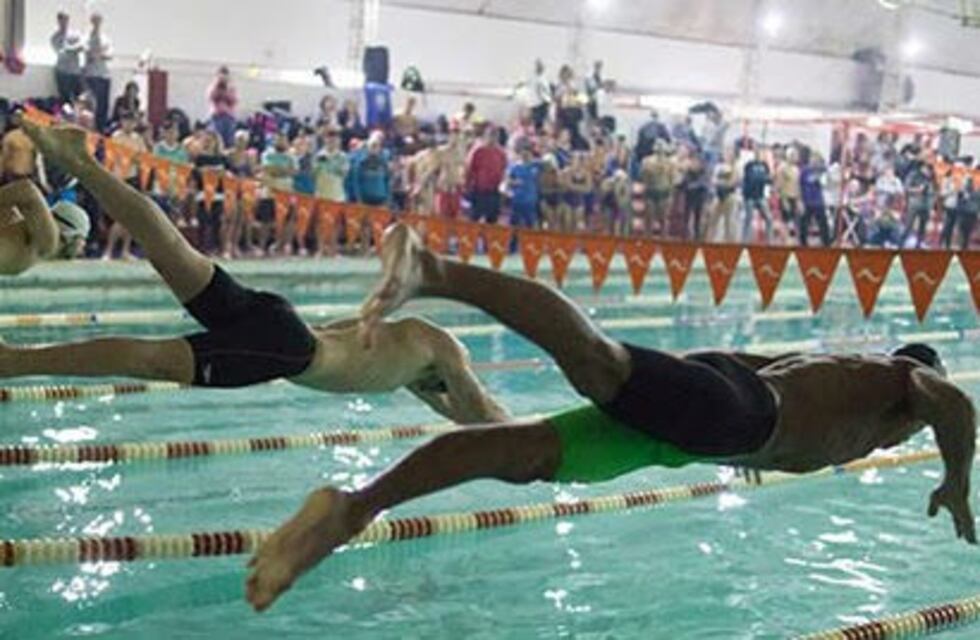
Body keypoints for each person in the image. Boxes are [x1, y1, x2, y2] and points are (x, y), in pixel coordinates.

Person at [244, 222, 977, 612]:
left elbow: (733, 360)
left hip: (710, 431)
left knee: (523, 452)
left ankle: (352, 509)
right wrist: (957, 482)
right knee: (598, 362)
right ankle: (436, 272)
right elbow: (957, 404)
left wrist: (723, 427)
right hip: (739, 419)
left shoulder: (849, 378)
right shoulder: (905, 380)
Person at [8, 122, 508, 426]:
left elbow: (456, 412)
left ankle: (81, 161)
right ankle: (13, 363)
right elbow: (483, 416)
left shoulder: (411, 355)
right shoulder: (445, 351)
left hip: (280, 323)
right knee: (151, 360)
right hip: (284, 350)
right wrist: (549, 437)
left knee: (168, 247)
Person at [0, 178, 90, 274]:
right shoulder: (50, 239)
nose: (82, 249)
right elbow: (27, 190)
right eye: (83, 240)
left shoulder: (40, 243)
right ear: (72, 236)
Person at [102, 111, 147, 260]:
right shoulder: (116, 137)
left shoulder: (138, 139)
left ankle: (125, 251)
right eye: (127, 121)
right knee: (119, 217)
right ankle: (109, 251)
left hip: (132, 178)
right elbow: (110, 159)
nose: (129, 124)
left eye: (132, 121)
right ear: (122, 122)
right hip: (118, 179)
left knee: (131, 217)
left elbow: (143, 159)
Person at [312, 127, 349, 257]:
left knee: (336, 223)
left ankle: (334, 250)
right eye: (329, 138)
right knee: (320, 223)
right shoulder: (318, 155)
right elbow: (314, 173)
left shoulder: (342, 156)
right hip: (321, 193)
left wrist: (330, 164)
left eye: (334, 138)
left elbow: (344, 173)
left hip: (337, 194)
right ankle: (321, 249)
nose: (332, 141)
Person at [465, 125, 507, 224]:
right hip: (478, 191)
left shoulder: (501, 153)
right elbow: (469, 169)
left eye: (495, 136)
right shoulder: (477, 151)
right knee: (474, 219)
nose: (493, 138)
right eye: (490, 135)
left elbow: (503, 171)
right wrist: (467, 186)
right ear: (485, 136)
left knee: (492, 220)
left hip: (493, 192)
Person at [639, 139, 676, 237]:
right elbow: (643, 177)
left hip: (663, 192)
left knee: (663, 220)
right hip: (651, 191)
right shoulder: (646, 161)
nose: (659, 150)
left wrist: (671, 196)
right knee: (649, 220)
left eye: (661, 147)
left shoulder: (669, 163)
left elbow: (672, 180)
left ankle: (664, 242)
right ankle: (648, 242)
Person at [82, 13, 112, 131]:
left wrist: (98, 55)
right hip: (91, 75)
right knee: (92, 105)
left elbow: (109, 55)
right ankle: (92, 128)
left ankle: (101, 130)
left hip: (104, 75)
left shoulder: (105, 38)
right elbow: (88, 54)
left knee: (103, 106)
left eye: (98, 21)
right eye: (95, 21)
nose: (97, 23)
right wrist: (98, 54)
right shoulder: (86, 37)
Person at [900, 159, 936, 249]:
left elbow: (934, 191)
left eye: (930, 170)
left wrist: (932, 207)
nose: (929, 172)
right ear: (923, 168)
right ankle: (901, 243)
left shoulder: (931, 178)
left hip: (926, 205)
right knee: (909, 225)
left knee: (922, 227)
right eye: (927, 169)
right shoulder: (914, 175)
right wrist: (917, 190)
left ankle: (919, 244)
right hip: (914, 203)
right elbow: (906, 188)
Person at [504, 140, 541, 229]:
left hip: (531, 202)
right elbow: (506, 182)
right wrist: (515, 182)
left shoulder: (536, 165)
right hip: (517, 201)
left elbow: (549, 168)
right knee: (514, 226)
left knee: (531, 226)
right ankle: (513, 242)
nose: (525, 154)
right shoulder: (514, 167)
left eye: (527, 152)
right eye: (523, 152)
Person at [798, 153, 832, 247]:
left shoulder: (821, 170)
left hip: (818, 201)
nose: (814, 161)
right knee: (804, 223)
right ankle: (803, 243)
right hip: (807, 201)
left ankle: (826, 242)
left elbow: (827, 180)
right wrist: (800, 200)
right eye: (813, 159)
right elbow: (799, 185)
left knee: (823, 223)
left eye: (816, 160)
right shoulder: (804, 171)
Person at [51, 11, 84, 103]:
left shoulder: (75, 34)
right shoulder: (55, 37)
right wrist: (73, 49)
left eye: (66, 19)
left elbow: (82, 46)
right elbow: (60, 52)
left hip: (76, 71)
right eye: (61, 20)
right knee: (65, 100)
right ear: (58, 21)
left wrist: (69, 49)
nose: (64, 22)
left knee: (79, 98)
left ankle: (78, 117)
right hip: (63, 72)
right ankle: (66, 117)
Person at [741, 150, 773, 243]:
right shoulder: (749, 165)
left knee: (769, 218)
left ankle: (769, 241)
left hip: (761, 196)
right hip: (750, 196)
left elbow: (768, 179)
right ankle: (744, 241)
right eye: (757, 154)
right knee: (748, 218)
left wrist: (768, 180)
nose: (759, 156)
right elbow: (749, 178)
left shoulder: (764, 166)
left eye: (760, 154)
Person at [207, 67, 238, 149]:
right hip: (217, 117)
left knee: (229, 141)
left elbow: (233, 101)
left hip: (229, 117)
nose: (223, 78)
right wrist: (217, 85)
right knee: (216, 139)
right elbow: (211, 97)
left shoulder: (231, 88)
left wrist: (227, 90)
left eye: (225, 75)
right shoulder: (213, 87)